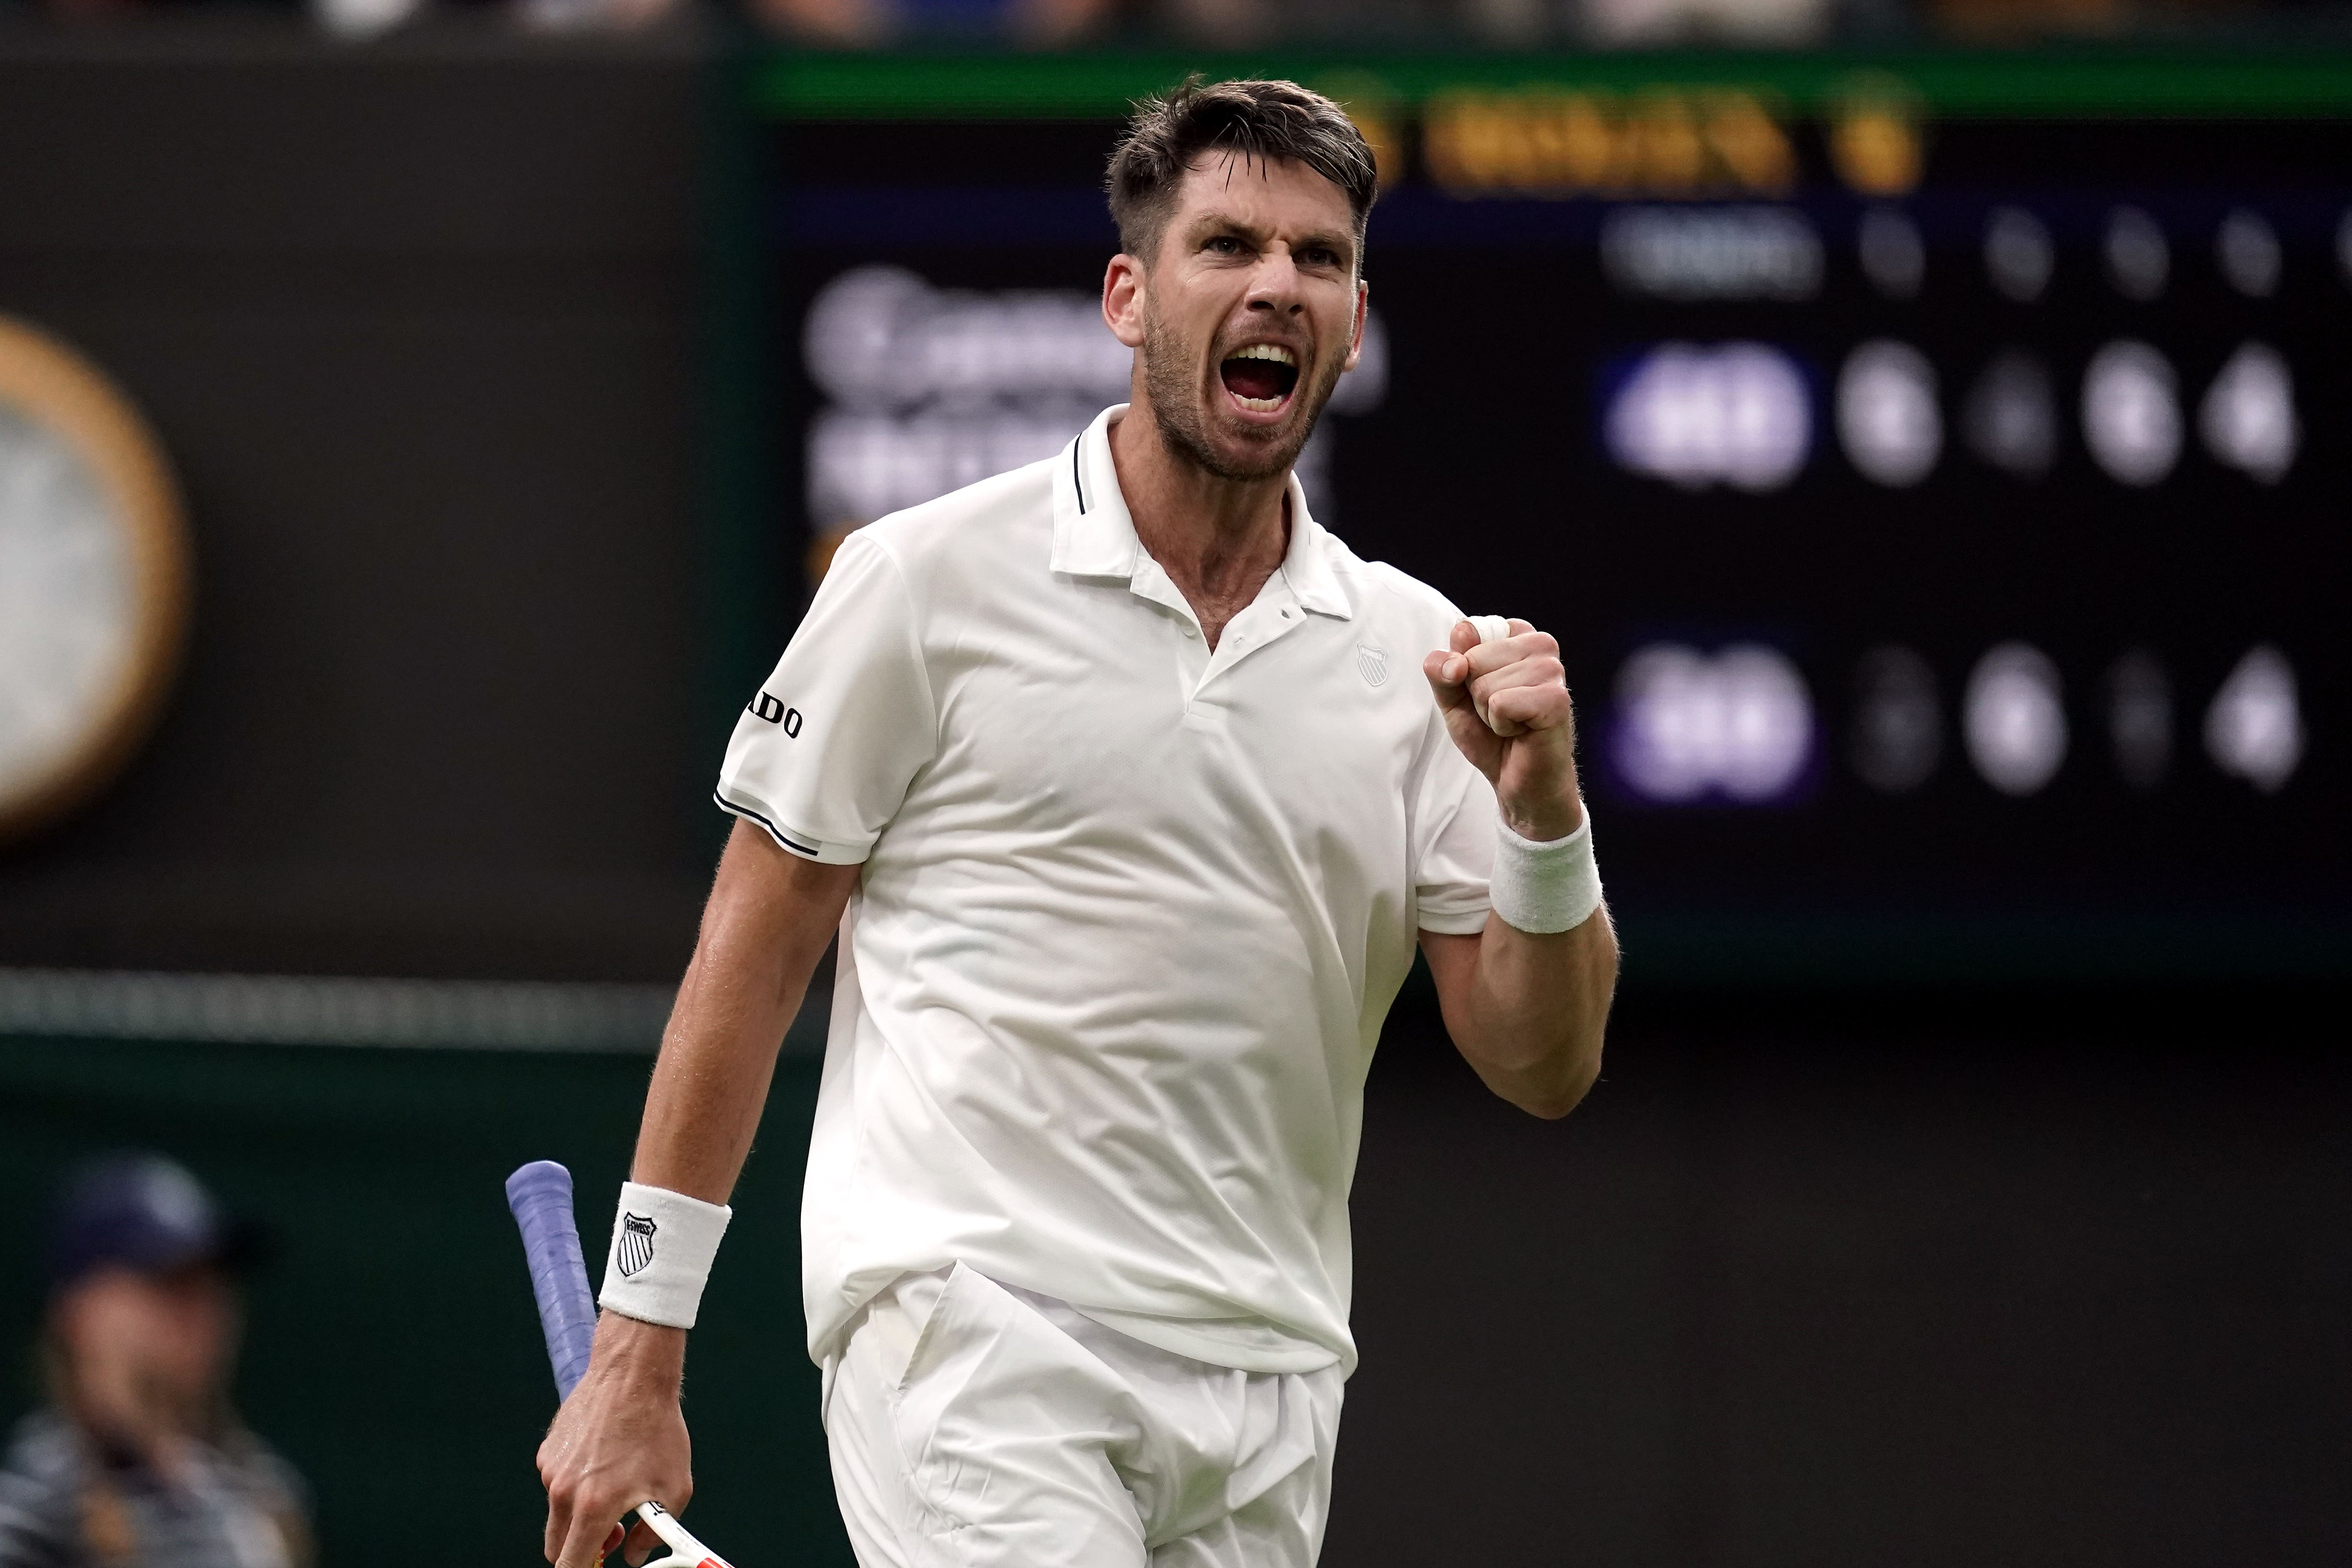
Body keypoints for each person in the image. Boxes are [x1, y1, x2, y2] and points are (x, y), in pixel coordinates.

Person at [537, 76, 1618, 1568]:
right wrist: (633, 1359)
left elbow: (1543, 1061)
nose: (1275, 286)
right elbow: (755, 939)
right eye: (1227, 244)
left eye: (1318, 259)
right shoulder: (921, 582)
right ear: (1130, 295)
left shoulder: (1418, 653)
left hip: (1273, 1383)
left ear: (1355, 323)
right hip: (976, 1330)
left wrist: (1546, 819)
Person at [0, 1155, 311, 1568]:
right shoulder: (42, 1495)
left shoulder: (262, 1486)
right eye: (170, 1283)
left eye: (214, 1285)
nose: (204, 1312)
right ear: (81, 1309)